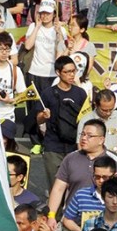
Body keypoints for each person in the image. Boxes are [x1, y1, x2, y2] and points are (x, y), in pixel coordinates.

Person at [35, 56, 89, 186]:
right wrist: (44, 115)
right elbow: (37, 119)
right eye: (67, 72)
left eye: (73, 71)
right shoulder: (48, 93)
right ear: (58, 73)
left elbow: (86, 119)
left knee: (75, 186)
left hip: (74, 146)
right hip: (53, 146)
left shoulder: (81, 93)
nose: (71, 75)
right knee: (55, 186)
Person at [61, 152, 117, 231]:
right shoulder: (81, 195)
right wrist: (79, 230)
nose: (101, 181)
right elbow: (67, 219)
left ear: (115, 176)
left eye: (105, 177)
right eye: (97, 177)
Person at [0, 32, 26, 147]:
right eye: (1, 49)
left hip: (7, 116)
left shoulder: (15, 71)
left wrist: (11, 101)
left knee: (4, 146)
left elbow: (23, 96)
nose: (5, 53)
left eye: (7, 49)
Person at [23, 0, 67, 95]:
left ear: (54, 14)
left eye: (48, 13)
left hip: (52, 73)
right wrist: (37, 27)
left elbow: (61, 51)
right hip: (34, 72)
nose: (45, 16)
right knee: (34, 106)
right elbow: (28, 46)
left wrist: (58, 33)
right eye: (42, 13)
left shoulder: (61, 30)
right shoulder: (33, 26)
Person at [77, 90, 117, 156]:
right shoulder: (85, 120)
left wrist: (116, 150)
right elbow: (80, 146)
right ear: (96, 105)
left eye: (111, 109)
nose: (108, 113)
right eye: (104, 110)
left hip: (113, 160)